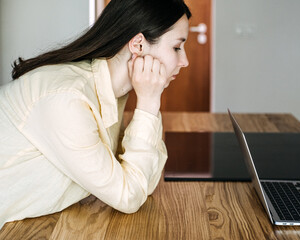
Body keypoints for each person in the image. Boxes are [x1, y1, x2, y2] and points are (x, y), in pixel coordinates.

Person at [0, 0, 191, 229]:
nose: (185, 61)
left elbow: (144, 182)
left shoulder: (112, 89)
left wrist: (149, 101)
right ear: (138, 45)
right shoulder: (68, 100)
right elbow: (129, 195)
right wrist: (149, 103)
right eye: (177, 47)